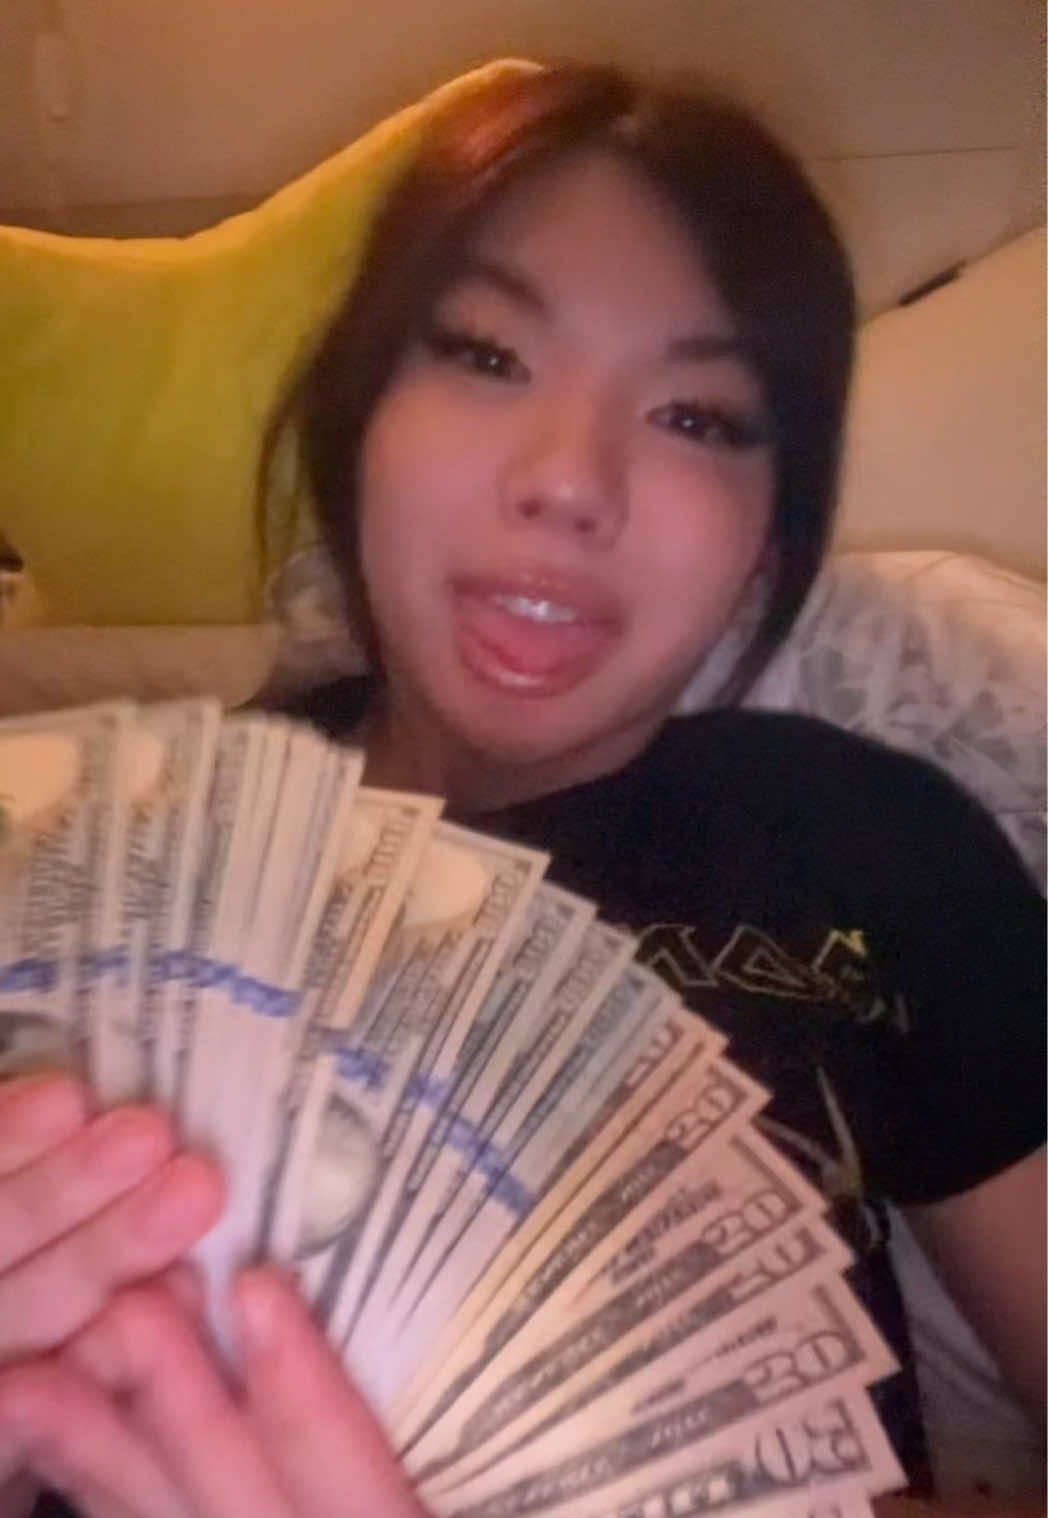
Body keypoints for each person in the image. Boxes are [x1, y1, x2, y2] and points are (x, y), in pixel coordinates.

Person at [0, 62, 1043, 1518]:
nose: (570, 481)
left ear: (769, 532)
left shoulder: (878, 846)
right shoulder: (108, 882)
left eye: (699, 417)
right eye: (488, 353)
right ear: (357, 413)